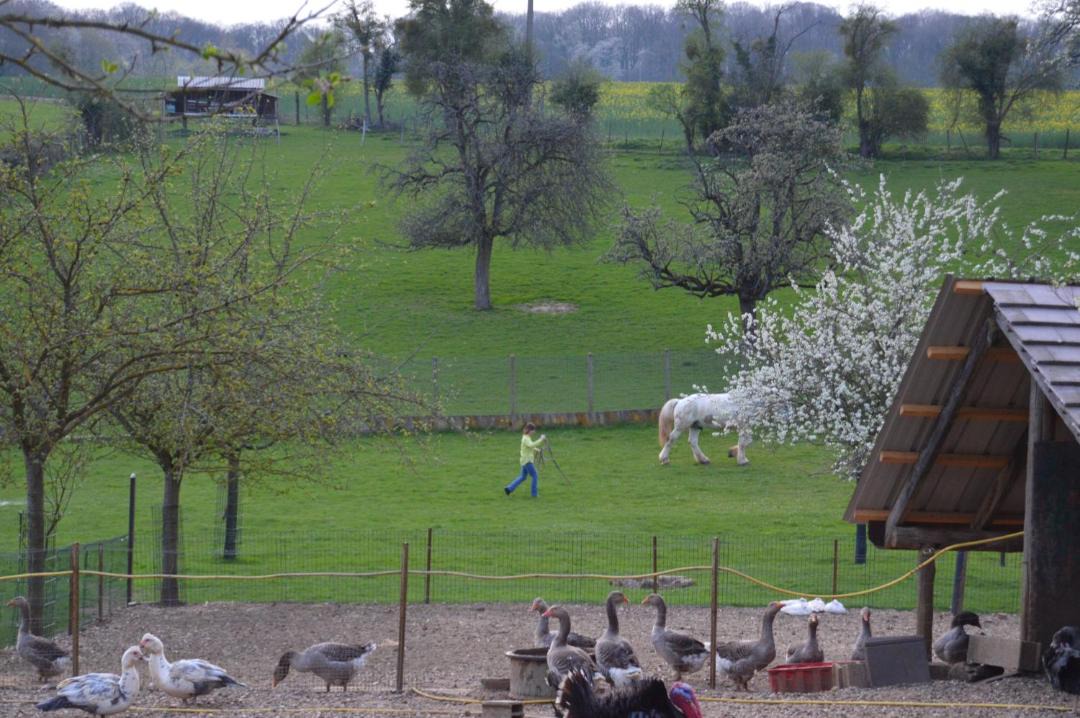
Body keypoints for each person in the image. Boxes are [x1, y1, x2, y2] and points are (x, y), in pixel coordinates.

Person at [505, 423, 546, 497]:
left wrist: (537, 450)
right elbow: (531, 445)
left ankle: (509, 488)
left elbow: (529, 447)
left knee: (523, 477)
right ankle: (534, 494)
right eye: (533, 430)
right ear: (530, 430)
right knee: (535, 475)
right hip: (527, 461)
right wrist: (541, 439)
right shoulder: (526, 438)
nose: (534, 432)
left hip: (524, 460)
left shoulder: (526, 437)